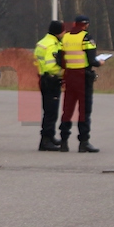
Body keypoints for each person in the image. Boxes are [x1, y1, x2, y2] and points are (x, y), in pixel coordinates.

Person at [58, 14, 100, 153]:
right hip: (83, 77)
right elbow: (92, 60)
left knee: (67, 109)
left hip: (69, 76)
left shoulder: (66, 37)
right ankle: (84, 142)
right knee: (84, 110)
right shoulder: (86, 37)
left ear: (75, 23)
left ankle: (63, 142)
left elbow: (60, 60)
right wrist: (100, 62)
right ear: (86, 25)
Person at [33, 20, 65, 151]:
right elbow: (52, 65)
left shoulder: (42, 43)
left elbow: (36, 61)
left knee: (48, 110)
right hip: (52, 79)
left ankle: (49, 136)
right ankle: (46, 140)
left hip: (43, 78)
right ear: (58, 32)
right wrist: (63, 73)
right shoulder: (53, 45)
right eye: (63, 31)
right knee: (51, 112)